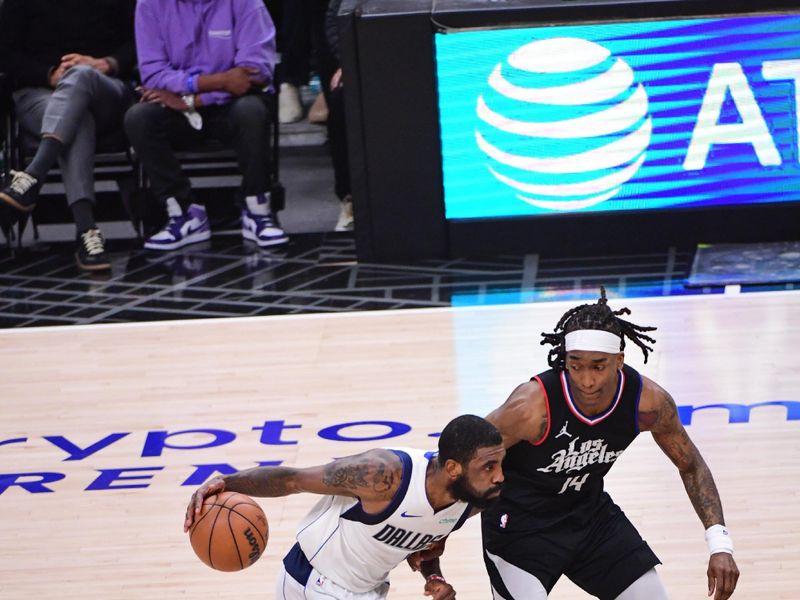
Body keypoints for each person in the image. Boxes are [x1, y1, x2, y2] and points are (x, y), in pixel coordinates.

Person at [481, 288, 740, 600]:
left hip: (589, 518)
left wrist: (720, 545)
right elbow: (464, 459)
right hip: (520, 528)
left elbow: (692, 465)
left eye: (598, 366)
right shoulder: (531, 407)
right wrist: (438, 534)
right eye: (575, 365)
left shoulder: (646, 403)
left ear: (619, 360)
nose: (586, 379)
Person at [184, 414, 506, 600]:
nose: (499, 477)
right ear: (452, 468)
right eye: (489, 467)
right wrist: (226, 482)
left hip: (366, 590)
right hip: (314, 580)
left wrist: (433, 577)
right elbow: (291, 480)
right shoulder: (384, 474)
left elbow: (424, 543)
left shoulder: (470, 502)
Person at [124, 0, 287, 251]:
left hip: (229, 105)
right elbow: (153, 74)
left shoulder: (246, 3)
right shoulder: (150, 4)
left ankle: (257, 210)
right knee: (139, 118)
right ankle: (184, 212)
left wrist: (192, 99)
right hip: (179, 109)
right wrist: (219, 81)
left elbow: (253, 73)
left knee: (251, 110)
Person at [0, 0, 136, 271]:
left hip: (104, 89)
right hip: (39, 94)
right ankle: (88, 231)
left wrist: (106, 63)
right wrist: (48, 74)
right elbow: (5, 53)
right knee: (77, 118)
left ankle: (32, 175)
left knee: (80, 75)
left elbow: (140, 40)